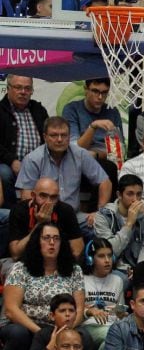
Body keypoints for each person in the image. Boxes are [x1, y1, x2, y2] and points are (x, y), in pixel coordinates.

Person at [0, 223, 85, 350]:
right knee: (17, 334)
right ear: (37, 242)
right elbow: (11, 309)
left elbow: (79, 309)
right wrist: (42, 333)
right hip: (26, 325)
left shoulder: (74, 270)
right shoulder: (21, 268)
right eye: (46, 238)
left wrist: (63, 333)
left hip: (62, 326)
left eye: (56, 238)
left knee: (84, 336)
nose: (52, 243)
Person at [15, 116, 111, 231]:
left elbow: (105, 182)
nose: (59, 139)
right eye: (54, 135)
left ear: (69, 137)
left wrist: (99, 213)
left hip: (74, 216)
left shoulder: (80, 154)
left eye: (64, 135)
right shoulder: (33, 159)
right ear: (45, 137)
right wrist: (39, 217)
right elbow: (26, 197)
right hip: (43, 217)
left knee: (103, 225)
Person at [61, 77, 122, 184]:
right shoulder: (72, 109)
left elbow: (117, 154)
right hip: (79, 162)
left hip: (106, 162)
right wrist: (93, 127)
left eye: (104, 93)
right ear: (86, 90)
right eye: (95, 91)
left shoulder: (112, 112)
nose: (100, 97)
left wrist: (96, 154)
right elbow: (75, 150)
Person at [7, 177, 83, 261]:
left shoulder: (66, 210)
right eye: (43, 196)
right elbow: (15, 254)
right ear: (33, 195)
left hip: (57, 262)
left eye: (53, 197)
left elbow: (77, 251)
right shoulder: (19, 210)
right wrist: (40, 224)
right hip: (26, 261)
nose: (48, 202)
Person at [0, 74, 47, 206]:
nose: (23, 92)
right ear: (8, 88)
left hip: (38, 165)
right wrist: (12, 161)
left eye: (27, 88)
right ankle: (11, 213)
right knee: (4, 173)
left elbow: (48, 137)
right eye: (18, 87)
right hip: (9, 165)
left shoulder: (38, 110)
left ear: (32, 91)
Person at [95, 174, 144, 273]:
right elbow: (109, 251)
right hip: (112, 268)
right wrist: (129, 224)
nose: (135, 199)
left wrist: (139, 271)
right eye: (130, 194)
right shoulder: (104, 215)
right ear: (119, 195)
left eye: (139, 194)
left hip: (138, 268)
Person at [25, 293, 96, 350]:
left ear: (76, 315)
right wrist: (49, 349)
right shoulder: (43, 335)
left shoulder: (83, 336)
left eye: (71, 311)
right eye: (62, 311)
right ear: (52, 316)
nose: (67, 314)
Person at [80, 240, 124, 344]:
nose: (107, 260)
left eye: (109, 256)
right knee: (113, 337)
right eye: (101, 256)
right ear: (90, 259)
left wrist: (120, 312)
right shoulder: (81, 279)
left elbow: (121, 309)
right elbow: (74, 311)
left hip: (113, 325)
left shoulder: (117, 280)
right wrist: (90, 311)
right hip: (90, 325)